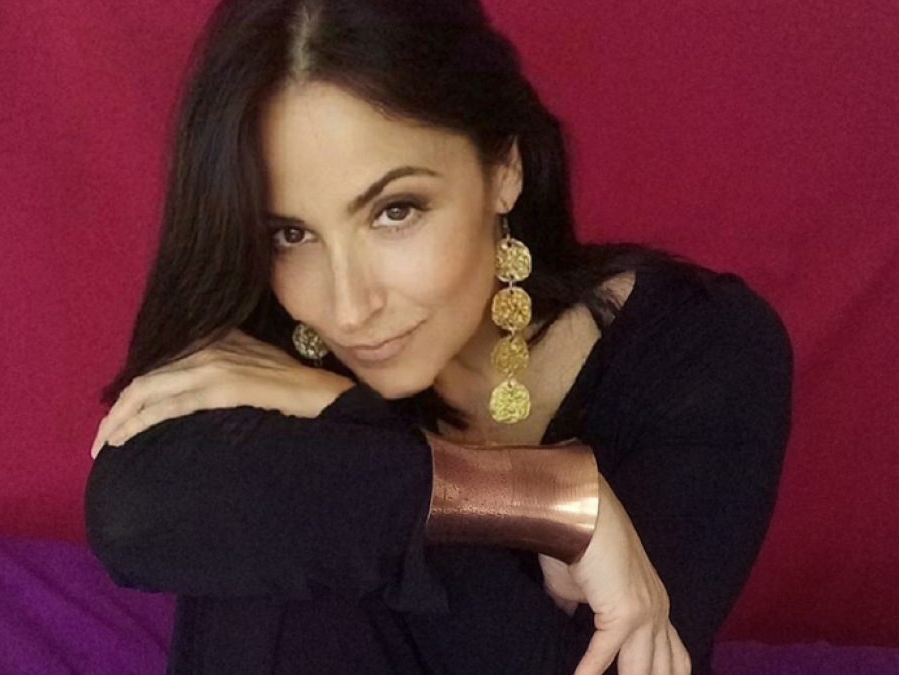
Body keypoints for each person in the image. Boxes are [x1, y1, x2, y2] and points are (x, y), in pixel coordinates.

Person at [83, 0, 793, 673]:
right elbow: (130, 515)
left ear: (503, 169)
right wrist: (542, 499)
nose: (348, 306)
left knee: (304, 517)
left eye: (395, 211)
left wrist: (341, 418)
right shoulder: (265, 337)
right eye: (291, 234)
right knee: (278, 552)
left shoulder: (702, 346)